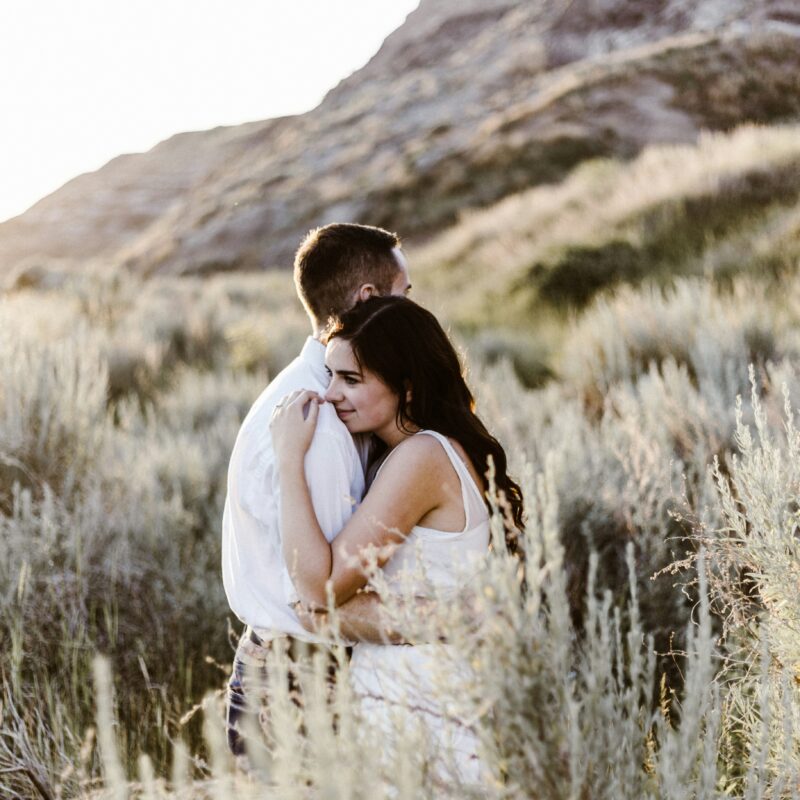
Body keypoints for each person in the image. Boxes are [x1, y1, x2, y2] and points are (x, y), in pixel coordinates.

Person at [270, 296, 524, 784]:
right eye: (329, 376)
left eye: (351, 379)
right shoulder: (418, 452)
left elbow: (318, 587)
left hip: (420, 699)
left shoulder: (423, 457)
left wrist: (288, 459)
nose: (330, 394)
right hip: (417, 688)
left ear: (405, 388)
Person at [221, 223, 412, 758]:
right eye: (405, 295)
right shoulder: (319, 425)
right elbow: (328, 593)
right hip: (301, 687)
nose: (416, 311)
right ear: (368, 299)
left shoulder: (317, 399)